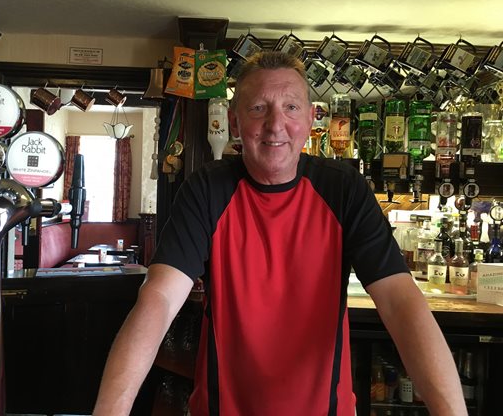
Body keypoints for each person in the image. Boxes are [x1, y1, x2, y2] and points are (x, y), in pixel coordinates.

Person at [93, 51, 467, 416]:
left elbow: (401, 302)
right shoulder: (207, 189)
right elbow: (158, 298)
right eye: (258, 108)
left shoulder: (343, 189)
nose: (275, 125)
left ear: (308, 120)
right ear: (235, 124)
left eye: (290, 108)